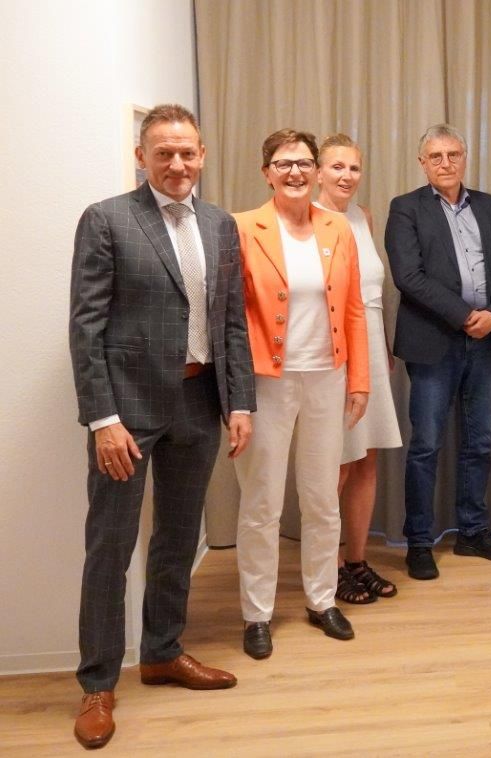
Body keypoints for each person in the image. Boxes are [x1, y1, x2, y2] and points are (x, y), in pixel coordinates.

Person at [68, 104, 254, 749]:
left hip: (199, 404)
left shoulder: (220, 223)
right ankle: (97, 682)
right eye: (164, 152)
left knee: (178, 540)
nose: (178, 164)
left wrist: (241, 402)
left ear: (202, 155)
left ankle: (162, 653)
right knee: (111, 549)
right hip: (127, 414)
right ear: (141, 156)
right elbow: (85, 328)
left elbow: (231, 321)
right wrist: (102, 419)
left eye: (188, 153)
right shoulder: (107, 219)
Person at [234, 129, 369, 659]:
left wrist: (359, 379)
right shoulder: (244, 227)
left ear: (316, 171)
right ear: (266, 171)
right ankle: (257, 613)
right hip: (267, 381)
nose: (296, 172)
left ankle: (321, 599)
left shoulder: (338, 227)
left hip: (326, 377)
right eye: (284, 163)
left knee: (320, 497)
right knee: (262, 503)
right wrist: (235, 394)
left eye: (304, 163)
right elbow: (230, 314)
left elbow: (355, 308)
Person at [385, 123, 491, 580]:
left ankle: (472, 531)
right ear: (422, 163)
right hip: (433, 342)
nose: (446, 163)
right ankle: (420, 541)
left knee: (480, 441)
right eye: (436, 156)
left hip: (485, 340)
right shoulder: (405, 209)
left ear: (465, 157)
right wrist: (466, 315)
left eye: (453, 154)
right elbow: (409, 276)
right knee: (426, 445)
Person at [314, 134, 403, 604]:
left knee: (368, 458)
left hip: (370, 345)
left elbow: (374, 297)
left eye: (353, 168)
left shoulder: (364, 218)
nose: (346, 176)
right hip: (332, 353)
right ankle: (326, 570)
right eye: (337, 167)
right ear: (318, 171)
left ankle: (356, 560)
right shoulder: (307, 220)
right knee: (336, 465)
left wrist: (382, 351)